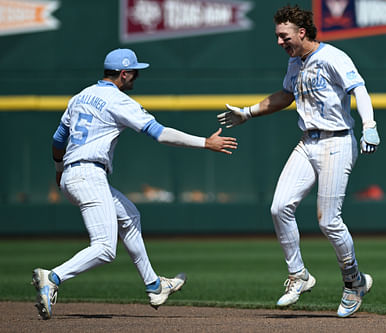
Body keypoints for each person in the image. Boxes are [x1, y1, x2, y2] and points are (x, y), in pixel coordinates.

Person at [32, 48, 238, 320]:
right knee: (105, 249)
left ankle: (154, 285)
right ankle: (54, 277)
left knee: (129, 216)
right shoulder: (119, 101)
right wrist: (205, 143)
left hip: (73, 174)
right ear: (124, 73)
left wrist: (59, 170)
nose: (136, 78)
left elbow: (59, 139)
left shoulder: (80, 96)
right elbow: (161, 134)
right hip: (89, 175)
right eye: (134, 73)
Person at [217, 5, 379, 317]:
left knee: (329, 221)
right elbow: (285, 95)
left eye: (284, 35)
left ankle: (353, 282)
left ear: (301, 32)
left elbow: (359, 89)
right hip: (308, 142)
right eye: (278, 35)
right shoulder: (296, 61)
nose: (279, 41)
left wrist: (369, 126)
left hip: (337, 141)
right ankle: (300, 275)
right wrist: (247, 112)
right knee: (279, 207)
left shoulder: (332, 56)